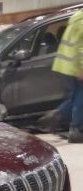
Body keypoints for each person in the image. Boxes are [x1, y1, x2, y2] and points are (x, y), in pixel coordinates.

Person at [38, 9, 83, 143]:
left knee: (76, 97)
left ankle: (56, 115)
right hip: (75, 67)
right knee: (80, 98)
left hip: (65, 65)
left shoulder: (77, 16)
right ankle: (75, 130)